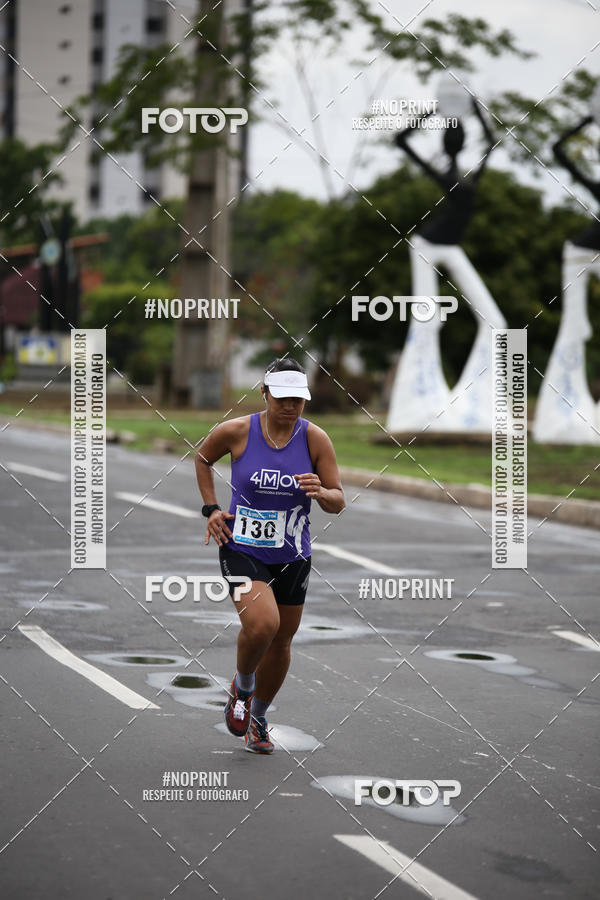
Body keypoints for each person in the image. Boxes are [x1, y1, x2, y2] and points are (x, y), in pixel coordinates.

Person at [195, 358, 345, 753]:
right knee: (263, 625)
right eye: (282, 398)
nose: (290, 406)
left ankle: (258, 719)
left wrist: (321, 492)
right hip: (241, 548)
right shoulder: (237, 431)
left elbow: (338, 500)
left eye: (298, 399)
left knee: (281, 642)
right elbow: (202, 458)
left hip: (293, 554)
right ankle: (242, 688)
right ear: (264, 393)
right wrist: (211, 509)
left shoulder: (316, 440)